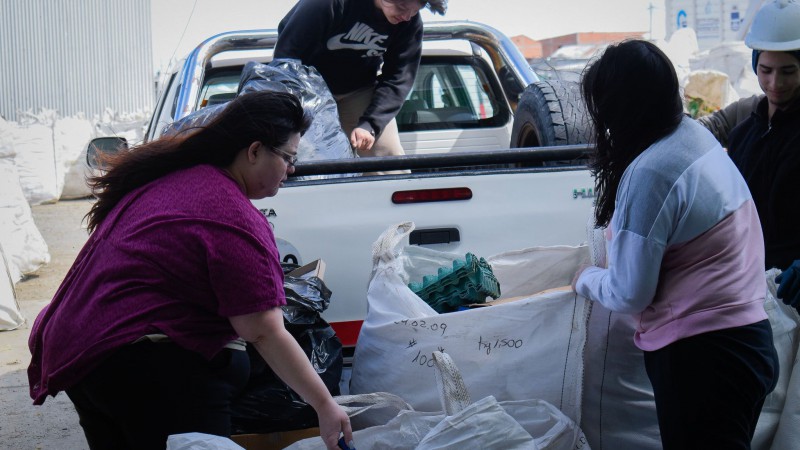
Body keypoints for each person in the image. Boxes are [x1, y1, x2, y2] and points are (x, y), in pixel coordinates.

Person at [27, 91, 353, 450]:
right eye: (288, 158)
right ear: (255, 150)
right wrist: (325, 405)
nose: (291, 170)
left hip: (84, 354)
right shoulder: (230, 214)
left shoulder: (178, 180)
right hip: (142, 365)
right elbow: (262, 330)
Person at [572, 40, 779, 449]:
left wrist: (585, 278)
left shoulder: (653, 170)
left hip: (705, 360)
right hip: (744, 344)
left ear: (620, 109)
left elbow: (630, 292)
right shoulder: (691, 138)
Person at [274, 0, 447, 158]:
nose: (406, 16)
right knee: (301, 154)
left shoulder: (409, 23)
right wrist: (291, 107)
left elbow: (398, 78)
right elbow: (287, 55)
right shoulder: (327, 4)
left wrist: (370, 125)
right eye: (402, 7)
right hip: (308, 91)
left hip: (357, 91)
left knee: (387, 153)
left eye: (415, 11)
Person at [723, 0, 800, 315]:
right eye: (766, 70)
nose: (775, 84)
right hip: (750, 292)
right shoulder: (742, 135)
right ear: (755, 64)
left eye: (788, 71)